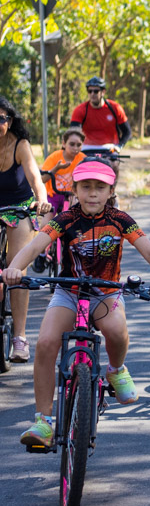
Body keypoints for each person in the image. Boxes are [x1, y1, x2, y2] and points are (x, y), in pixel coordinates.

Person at [4, 157, 150, 447]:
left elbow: (149, 250)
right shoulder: (65, 219)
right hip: (69, 292)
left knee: (116, 332)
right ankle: (43, 421)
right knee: (46, 343)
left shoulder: (120, 219)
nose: (93, 194)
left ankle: (116, 369)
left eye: (100, 187)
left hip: (106, 292)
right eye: (86, 187)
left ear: (111, 191)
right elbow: (36, 245)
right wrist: (14, 268)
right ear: (74, 189)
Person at [0, 96, 52, 362]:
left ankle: (19, 337)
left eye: (1, 119)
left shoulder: (20, 145)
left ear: (10, 122)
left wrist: (41, 200)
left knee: (16, 267)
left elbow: (35, 177)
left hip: (18, 207)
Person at [32, 128, 86, 272]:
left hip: (72, 196)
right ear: (64, 143)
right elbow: (43, 179)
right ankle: (41, 254)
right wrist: (56, 168)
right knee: (46, 224)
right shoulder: (54, 157)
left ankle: (77, 253)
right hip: (53, 196)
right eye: (72, 144)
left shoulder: (82, 159)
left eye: (79, 145)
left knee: (76, 224)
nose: (75, 148)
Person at [69, 77, 132, 148]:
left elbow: (127, 132)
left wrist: (119, 146)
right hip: (86, 148)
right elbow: (73, 133)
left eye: (96, 91)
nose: (92, 94)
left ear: (103, 92)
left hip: (110, 149)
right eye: (90, 91)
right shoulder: (80, 110)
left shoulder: (115, 108)